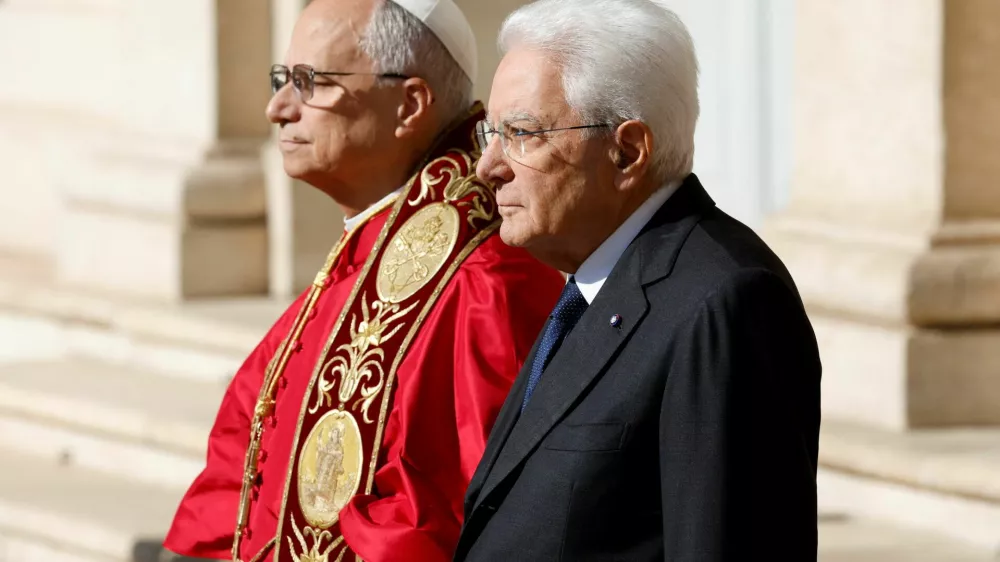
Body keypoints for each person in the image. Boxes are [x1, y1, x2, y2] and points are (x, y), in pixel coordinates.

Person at [163, 0, 564, 561]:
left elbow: (441, 524)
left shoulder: (484, 282)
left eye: (310, 82)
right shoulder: (354, 259)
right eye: (282, 79)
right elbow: (237, 469)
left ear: (409, 104)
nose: (277, 107)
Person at [455, 1, 822, 561]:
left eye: (523, 133)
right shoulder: (594, 283)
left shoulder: (723, 303)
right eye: (492, 133)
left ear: (627, 152)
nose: (488, 166)